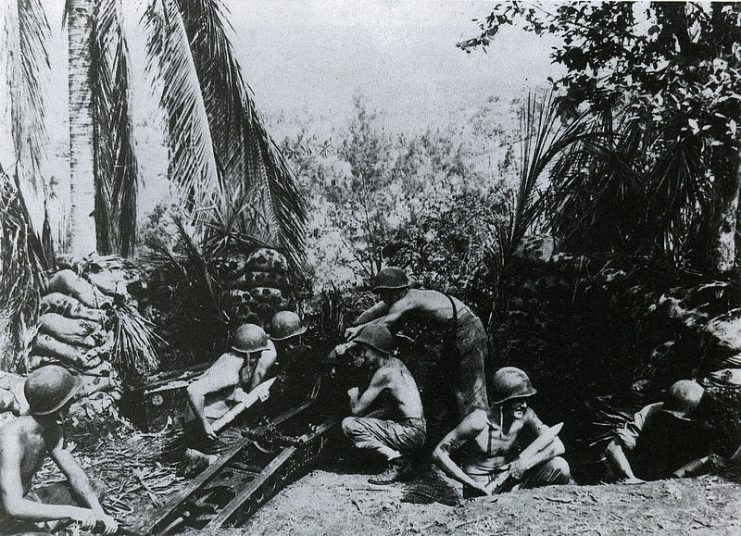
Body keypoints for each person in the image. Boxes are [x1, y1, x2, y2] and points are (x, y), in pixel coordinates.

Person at [343, 267, 488, 417]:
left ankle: (479, 431)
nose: (382, 297)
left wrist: (357, 332)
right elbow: (376, 310)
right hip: (455, 335)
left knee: (473, 391)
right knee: (440, 387)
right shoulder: (403, 296)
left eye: (384, 293)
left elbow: (385, 323)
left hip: (469, 330)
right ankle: (447, 431)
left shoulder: (407, 300)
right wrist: (356, 323)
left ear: (396, 291)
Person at [0, 365, 118, 535]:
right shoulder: (11, 440)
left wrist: (99, 513)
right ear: (59, 407)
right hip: (5, 518)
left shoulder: (51, 430)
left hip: (28, 500)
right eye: (71, 400)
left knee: (95, 488)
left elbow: (75, 475)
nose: (74, 403)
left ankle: (44, 526)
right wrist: (74, 512)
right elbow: (13, 507)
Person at [432, 367, 571, 498]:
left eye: (525, 400)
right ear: (502, 401)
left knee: (560, 466)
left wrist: (525, 463)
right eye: (518, 400)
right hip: (482, 489)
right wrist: (472, 484)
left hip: (511, 482)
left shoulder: (526, 415)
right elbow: (439, 453)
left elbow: (558, 445)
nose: (524, 405)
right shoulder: (478, 420)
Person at [341, 325, 426, 485]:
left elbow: (356, 410)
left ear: (376, 349)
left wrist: (353, 395)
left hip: (409, 432)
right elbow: (388, 409)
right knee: (362, 424)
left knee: (348, 425)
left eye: (365, 350)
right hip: (418, 429)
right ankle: (403, 458)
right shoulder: (396, 364)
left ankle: (396, 461)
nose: (363, 355)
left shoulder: (384, 374)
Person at [183, 323, 277, 467]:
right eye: (258, 353)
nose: (259, 356)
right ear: (248, 354)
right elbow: (193, 391)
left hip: (205, 421)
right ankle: (207, 460)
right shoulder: (230, 374)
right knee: (246, 449)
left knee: (244, 438)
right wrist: (204, 425)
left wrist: (242, 395)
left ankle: (204, 452)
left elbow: (227, 391)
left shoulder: (229, 358)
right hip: (203, 426)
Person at [605, 379, 713, 482]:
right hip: (643, 466)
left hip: (673, 469)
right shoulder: (650, 412)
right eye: (671, 417)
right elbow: (613, 447)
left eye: (681, 420)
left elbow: (706, 455)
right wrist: (629, 477)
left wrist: (677, 476)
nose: (674, 422)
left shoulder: (701, 423)